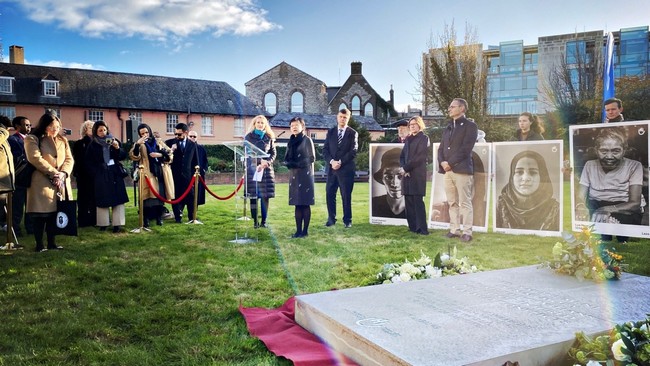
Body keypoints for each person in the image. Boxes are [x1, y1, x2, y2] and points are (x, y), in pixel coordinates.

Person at [577, 127, 642, 243]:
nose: (609, 156)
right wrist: (580, 206)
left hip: (622, 206)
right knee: (599, 230)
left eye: (616, 151)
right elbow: (580, 195)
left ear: (624, 150)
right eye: (604, 151)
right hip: (595, 203)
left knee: (621, 232)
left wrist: (606, 210)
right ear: (596, 150)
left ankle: (616, 232)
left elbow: (635, 203)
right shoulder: (589, 165)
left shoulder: (634, 166)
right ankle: (605, 232)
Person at [24, 112, 74, 252]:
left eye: (57, 127)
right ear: (44, 126)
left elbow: (69, 159)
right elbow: (35, 158)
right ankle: (39, 244)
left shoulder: (63, 140)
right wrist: (54, 173)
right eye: (52, 126)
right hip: (41, 182)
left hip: (60, 183)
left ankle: (52, 243)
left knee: (54, 215)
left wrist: (63, 173)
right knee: (40, 215)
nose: (55, 129)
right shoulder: (32, 139)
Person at [438, 98, 478, 242]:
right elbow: (441, 148)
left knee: (465, 202)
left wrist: (450, 163)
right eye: (449, 106)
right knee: (452, 202)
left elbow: (466, 149)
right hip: (447, 171)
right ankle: (454, 230)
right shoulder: (448, 127)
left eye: (452, 106)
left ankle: (467, 232)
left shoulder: (471, 126)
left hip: (462, 170)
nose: (449, 109)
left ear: (462, 108)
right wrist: (442, 162)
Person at [496, 150, 560, 231]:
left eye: (533, 172)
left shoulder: (555, 209)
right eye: (519, 172)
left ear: (542, 176)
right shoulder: (501, 205)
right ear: (512, 176)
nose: (525, 178)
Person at [85, 121, 129, 233]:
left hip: (114, 173)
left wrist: (117, 147)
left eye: (104, 130)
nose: (103, 132)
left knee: (117, 199)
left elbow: (123, 156)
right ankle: (103, 223)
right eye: (100, 130)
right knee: (102, 198)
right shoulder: (93, 145)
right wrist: (96, 172)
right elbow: (88, 162)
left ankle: (117, 224)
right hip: (101, 173)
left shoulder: (113, 140)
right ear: (95, 131)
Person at [130, 123, 174, 227]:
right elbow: (134, 156)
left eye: (146, 132)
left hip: (158, 172)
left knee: (159, 198)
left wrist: (160, 154)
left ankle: (159, 217)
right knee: (146, 197)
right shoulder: (139, 144)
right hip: (146, 173)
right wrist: (137, 144)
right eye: (142, 133)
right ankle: (146, 219)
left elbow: (170, 153)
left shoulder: (158, 141)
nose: (145, 135)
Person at [323, 108, 358, 228]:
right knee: (329, 194)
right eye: (341, 117)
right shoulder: (331, 132)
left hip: (346, 170)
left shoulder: (353, 133)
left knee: (346, 196)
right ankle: (331, 219)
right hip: (332, 170)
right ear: (337, 117)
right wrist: (332, 162)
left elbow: (353, 151)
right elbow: (325, 150)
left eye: (345, 117)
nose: (342, 119)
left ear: (348, 119)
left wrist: (340, 162)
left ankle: (347, 220)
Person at [284, 117, 315, 238]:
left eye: (296, 125)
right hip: (294, 176)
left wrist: (298, 164)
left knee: (305, 204)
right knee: (297, 204)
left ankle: (305, 231)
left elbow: (311, 158)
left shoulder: (307, 140)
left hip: (305, 175)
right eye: (292, 126)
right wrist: (287, 163)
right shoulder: (290, 141)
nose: (294, 127)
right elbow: (287, 158)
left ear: (302, 126)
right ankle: (298, 231)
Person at [244, 115, 276, 228]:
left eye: (262, 123)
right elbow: (248, 152)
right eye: (258, 122)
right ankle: (255, 222)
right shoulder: (248, 137)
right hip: (253, 170)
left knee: (265, 197)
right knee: (254, 197)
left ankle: (264, 222)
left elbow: (273, 153)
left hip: (266, 171)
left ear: (265, 125)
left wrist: (267, 162)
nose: (260, 124)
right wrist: (259, 161)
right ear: (254, 124)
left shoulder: (269, 137)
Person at [400, 116, 430, 235]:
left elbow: (420, 157)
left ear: (420, 125)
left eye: (414, 124)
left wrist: (406, 168)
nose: (412, 126)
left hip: (417, 174)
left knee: (418, 202)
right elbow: (402, 156)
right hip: (406, 175)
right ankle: (412, 227)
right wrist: (403, 168)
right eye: (410, 125)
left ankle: (422, 229)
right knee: (408, 202)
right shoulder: (408, 139)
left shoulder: (424, 138)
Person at [165, 123, 199, 223]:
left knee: (191, 197)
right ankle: (177, 217)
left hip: (188, 176)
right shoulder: (169, 143)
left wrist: (195, 175)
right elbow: (165, 159)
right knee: (175, 197)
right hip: (175, 175)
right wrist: (171, 150)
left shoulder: (192, 144)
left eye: (179, 134)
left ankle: (191, 217)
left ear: (186, 133)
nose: (176, 136)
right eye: (175, 134)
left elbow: (195, 161)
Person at [8, 116, 32, 237]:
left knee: (30, 206)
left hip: (31, 178)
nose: (29, 127)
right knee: (17, 207)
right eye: (26, 125)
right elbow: (15, 158)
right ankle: (15, 230)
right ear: (17, 126)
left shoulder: (32, 139)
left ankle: (30, 228)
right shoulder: (13, 140)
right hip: (20, 178)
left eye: (29, 125)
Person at [72, 120, 96, 228]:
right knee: (83, 198)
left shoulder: (98, 142)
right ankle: (83, 220)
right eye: (91, 128)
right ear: (85, 130)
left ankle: (94, 219)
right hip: (83, 175)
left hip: (95, 175)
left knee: (94, 198)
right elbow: (79, 160)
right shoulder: (79, 144)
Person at [372, 147, 406, 219]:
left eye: (400, 176)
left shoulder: (415, 207)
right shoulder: (374, 204)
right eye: (389, 177)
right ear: (382, 178)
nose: (395, 184)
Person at [0, 116, 15, 237]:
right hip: (1, 182)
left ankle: (4, 226)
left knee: (4, 207)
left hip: (6, 181)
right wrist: (3, 130)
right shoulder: (2, 135)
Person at [188, 131, 208, 209]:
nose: (192, 138)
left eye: (194, 136)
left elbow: (205, 160)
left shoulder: (201, 148)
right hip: (188, 174)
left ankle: (194, 210)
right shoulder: (185, 147)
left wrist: (203, 170)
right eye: (191, 136)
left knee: (197, 192)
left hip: (198, 174)